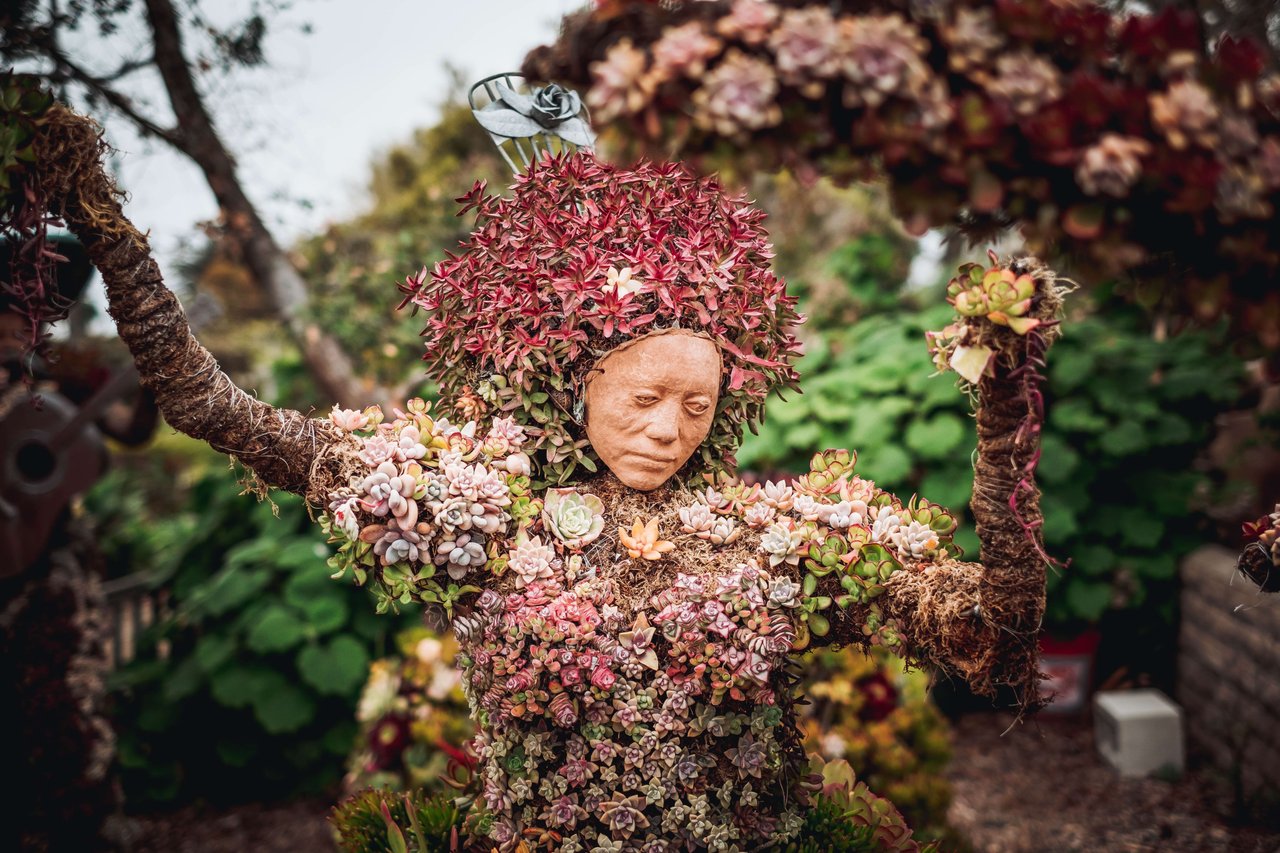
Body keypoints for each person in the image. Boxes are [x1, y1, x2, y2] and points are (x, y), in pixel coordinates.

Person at [320, 151, 1057, 851]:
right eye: (643, 397)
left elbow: (969, 621)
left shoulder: (761, 533)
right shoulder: (487, 521)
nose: (670, 430)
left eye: (697, 405)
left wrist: (1002, 428)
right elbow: (298, 451)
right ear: (572, 386)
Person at [0, 233, 157, 851]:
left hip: (52, 566)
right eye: (12, 306)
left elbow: (128, 430)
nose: (22, 321)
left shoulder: (66, 370)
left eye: (33, 308)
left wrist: (150, 378)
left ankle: (87, 826)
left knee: (66, 703)